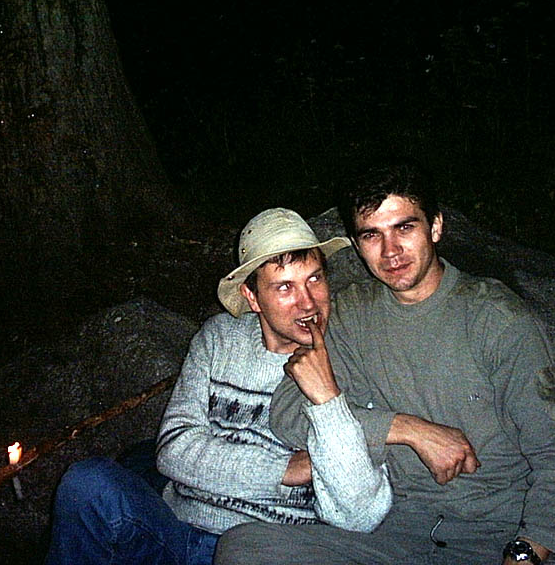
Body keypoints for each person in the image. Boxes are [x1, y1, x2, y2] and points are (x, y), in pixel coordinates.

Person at [215, 159, 555, 565]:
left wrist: (525, 553)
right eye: (372, 235)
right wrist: (406, 429)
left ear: (435, 227)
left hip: (499, 531)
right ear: (357, 245)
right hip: (399, 535)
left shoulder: (497, 319)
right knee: (244, 548)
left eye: (404, 228)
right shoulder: (352, 314)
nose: (390, 251)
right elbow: (287, 413)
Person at [45, 208, 392, 565]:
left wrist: (327, 399)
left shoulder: (353, 355)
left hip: (265, 551)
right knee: (87, 483)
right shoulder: (220, 338)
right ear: (252, 297)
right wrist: (285, 469)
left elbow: (360, 515)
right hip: (176, 529)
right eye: (285, 287)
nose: (307, 302)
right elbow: (174, 448)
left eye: (314, 279)